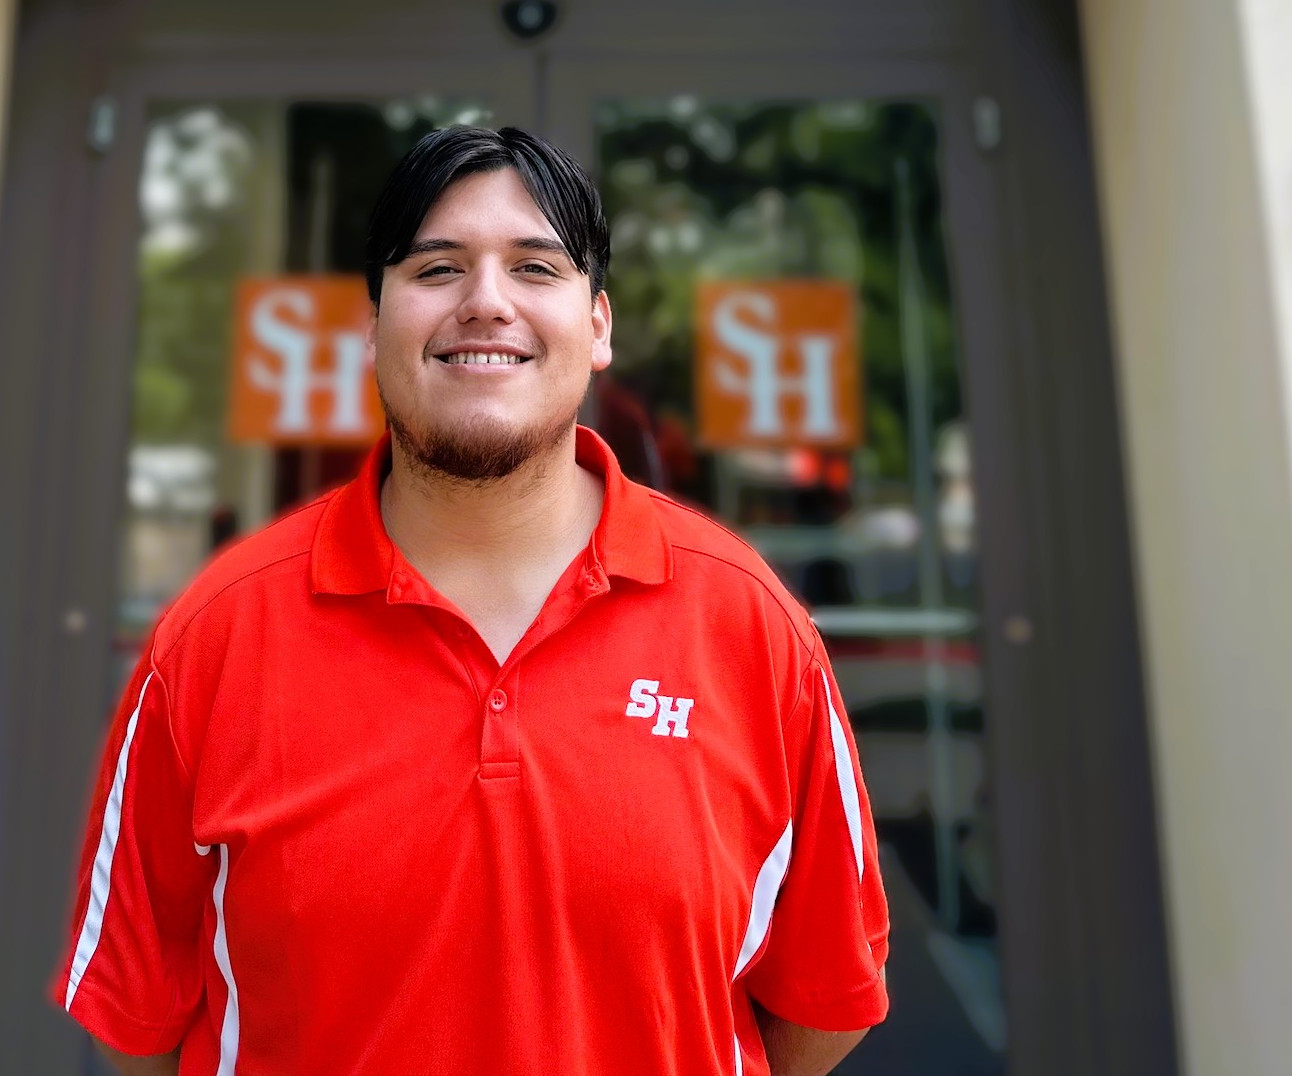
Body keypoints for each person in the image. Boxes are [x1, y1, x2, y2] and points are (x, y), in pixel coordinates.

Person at [55, 126, 889, 1076]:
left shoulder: (752, 626)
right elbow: (139, 1018)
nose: (486, 303)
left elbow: (826, 998)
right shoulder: (212, 639)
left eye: (535, 267)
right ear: (371, 328)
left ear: (600, 325)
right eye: (438, 267)